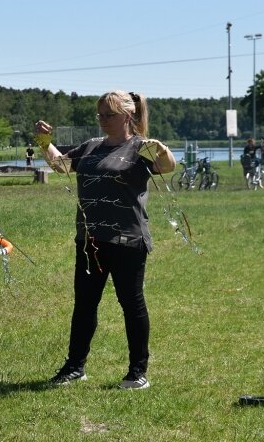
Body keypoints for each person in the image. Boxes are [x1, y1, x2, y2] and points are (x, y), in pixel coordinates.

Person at [36, 90, 175, 391]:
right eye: (99, 114)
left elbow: (168, 167)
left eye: (109, 115)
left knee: (131, 305)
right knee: (84, 305)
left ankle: (137, 372)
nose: (102, 120)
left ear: (127, 115)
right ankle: (75, 367)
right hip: (90, 241)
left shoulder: (140, 147)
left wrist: (162, 150)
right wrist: (44, 143)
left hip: (128, 241)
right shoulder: (91, 146)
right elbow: (60, 166)